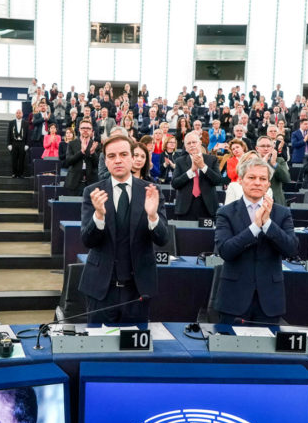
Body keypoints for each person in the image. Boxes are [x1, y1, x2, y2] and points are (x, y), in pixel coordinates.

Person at [79, 135, 168, 324]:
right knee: (99, 347)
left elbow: (163, 239)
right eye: (111, 156)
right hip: (101, 289)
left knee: (134, 352)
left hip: (138, 290)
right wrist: (99, 216)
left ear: (132, 158)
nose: (118, 160)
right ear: (106, 160)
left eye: (123, 154)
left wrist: (152, 216)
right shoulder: (93, 192)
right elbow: (87, 240)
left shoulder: (151, 191)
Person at [214, 154, 298, 324]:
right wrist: (254, 228)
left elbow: (292, 249)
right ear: (241, 180)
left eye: (262, 179)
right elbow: (225, 251)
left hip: (269, 299)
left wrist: (267, 224)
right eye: (251, 177)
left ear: (268, 184)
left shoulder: (282, 213)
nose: (257, 182)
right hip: (234, 298)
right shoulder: (226, 212)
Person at [172, 131, 222, 221]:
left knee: (207, 235)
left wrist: (203, 167)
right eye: (189, 143)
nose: (192, 145)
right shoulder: (180, 161)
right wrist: (191, 171)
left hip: (208, 207)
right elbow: (175, 184)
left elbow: (218, 180)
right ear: (186, 148)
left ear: (200, 143)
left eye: (194, 142)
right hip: (185, 208)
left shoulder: (212, 160)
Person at [63, 119, 98, 196]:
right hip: (74, 183)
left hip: (91, 183)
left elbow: (97, 165)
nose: (85, 130)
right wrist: (81, 152)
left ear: (92, 130)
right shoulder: (72, 143)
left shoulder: (96, 145)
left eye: (88, 128)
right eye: (83, 128)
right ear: (79, 129)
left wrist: (92, 153)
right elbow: (68, 161)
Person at [7, 108, 28, 178]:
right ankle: (14, 173)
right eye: (17, 113)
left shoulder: (26, 123)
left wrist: (27, 144)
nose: (18, 114)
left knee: (22, 159)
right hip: (14, 143)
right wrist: (9, 144)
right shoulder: (11, 123)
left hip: (22, 143)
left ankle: (21, 174)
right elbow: (9, 134)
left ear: (22, 114)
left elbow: (28, 134)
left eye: (20, 113)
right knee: (14, 159)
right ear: (15, 114)